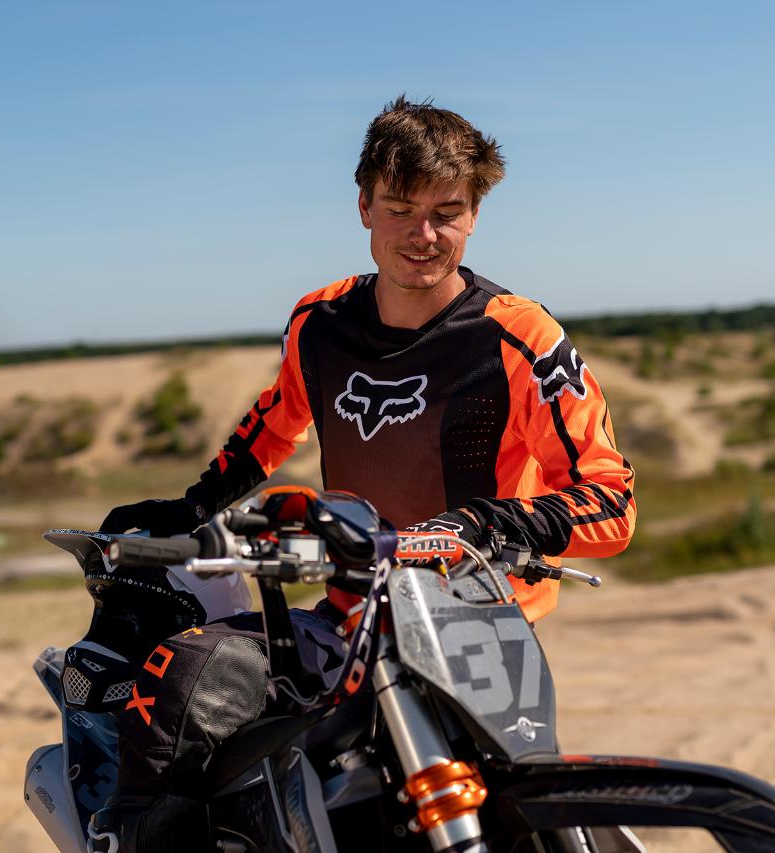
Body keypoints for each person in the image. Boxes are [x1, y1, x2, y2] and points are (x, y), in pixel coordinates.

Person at [90, 95, 637, 851]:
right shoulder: (320, 321)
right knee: (184, 680)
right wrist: (194, 505)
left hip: (476, 628)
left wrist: (485, 524)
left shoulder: (519, 336)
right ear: (364, 208)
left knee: (505, 825)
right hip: (349, 620)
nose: (423, 235)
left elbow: (612, 501)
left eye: (446, 212)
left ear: (475, 215)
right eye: (401, 210)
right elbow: (276, 420)